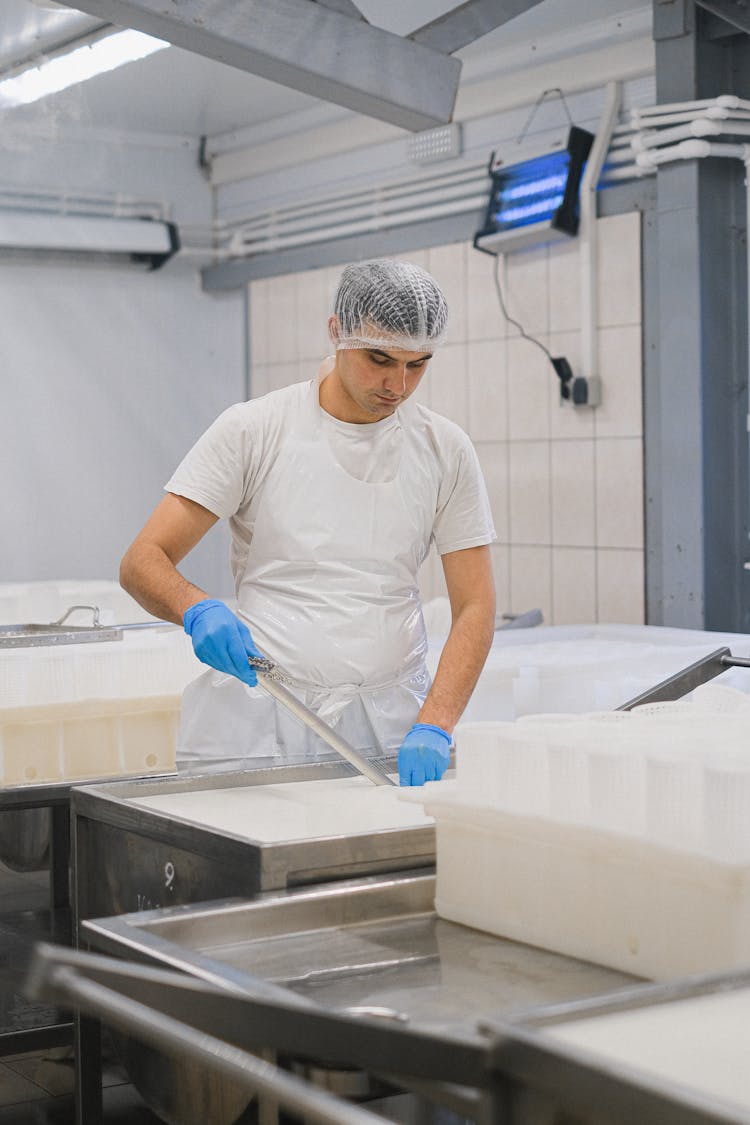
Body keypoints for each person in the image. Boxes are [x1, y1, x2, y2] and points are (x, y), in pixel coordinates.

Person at [120, 258, 496, 785]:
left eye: (418, 364)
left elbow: (476, 605)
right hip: (260, 715)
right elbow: (142, 561)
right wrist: (195, 608)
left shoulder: (444, 449)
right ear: (337, 332)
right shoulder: (255, 429)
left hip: (390, 723)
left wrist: (436, 723)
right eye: (379, 358)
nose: (398, 384)